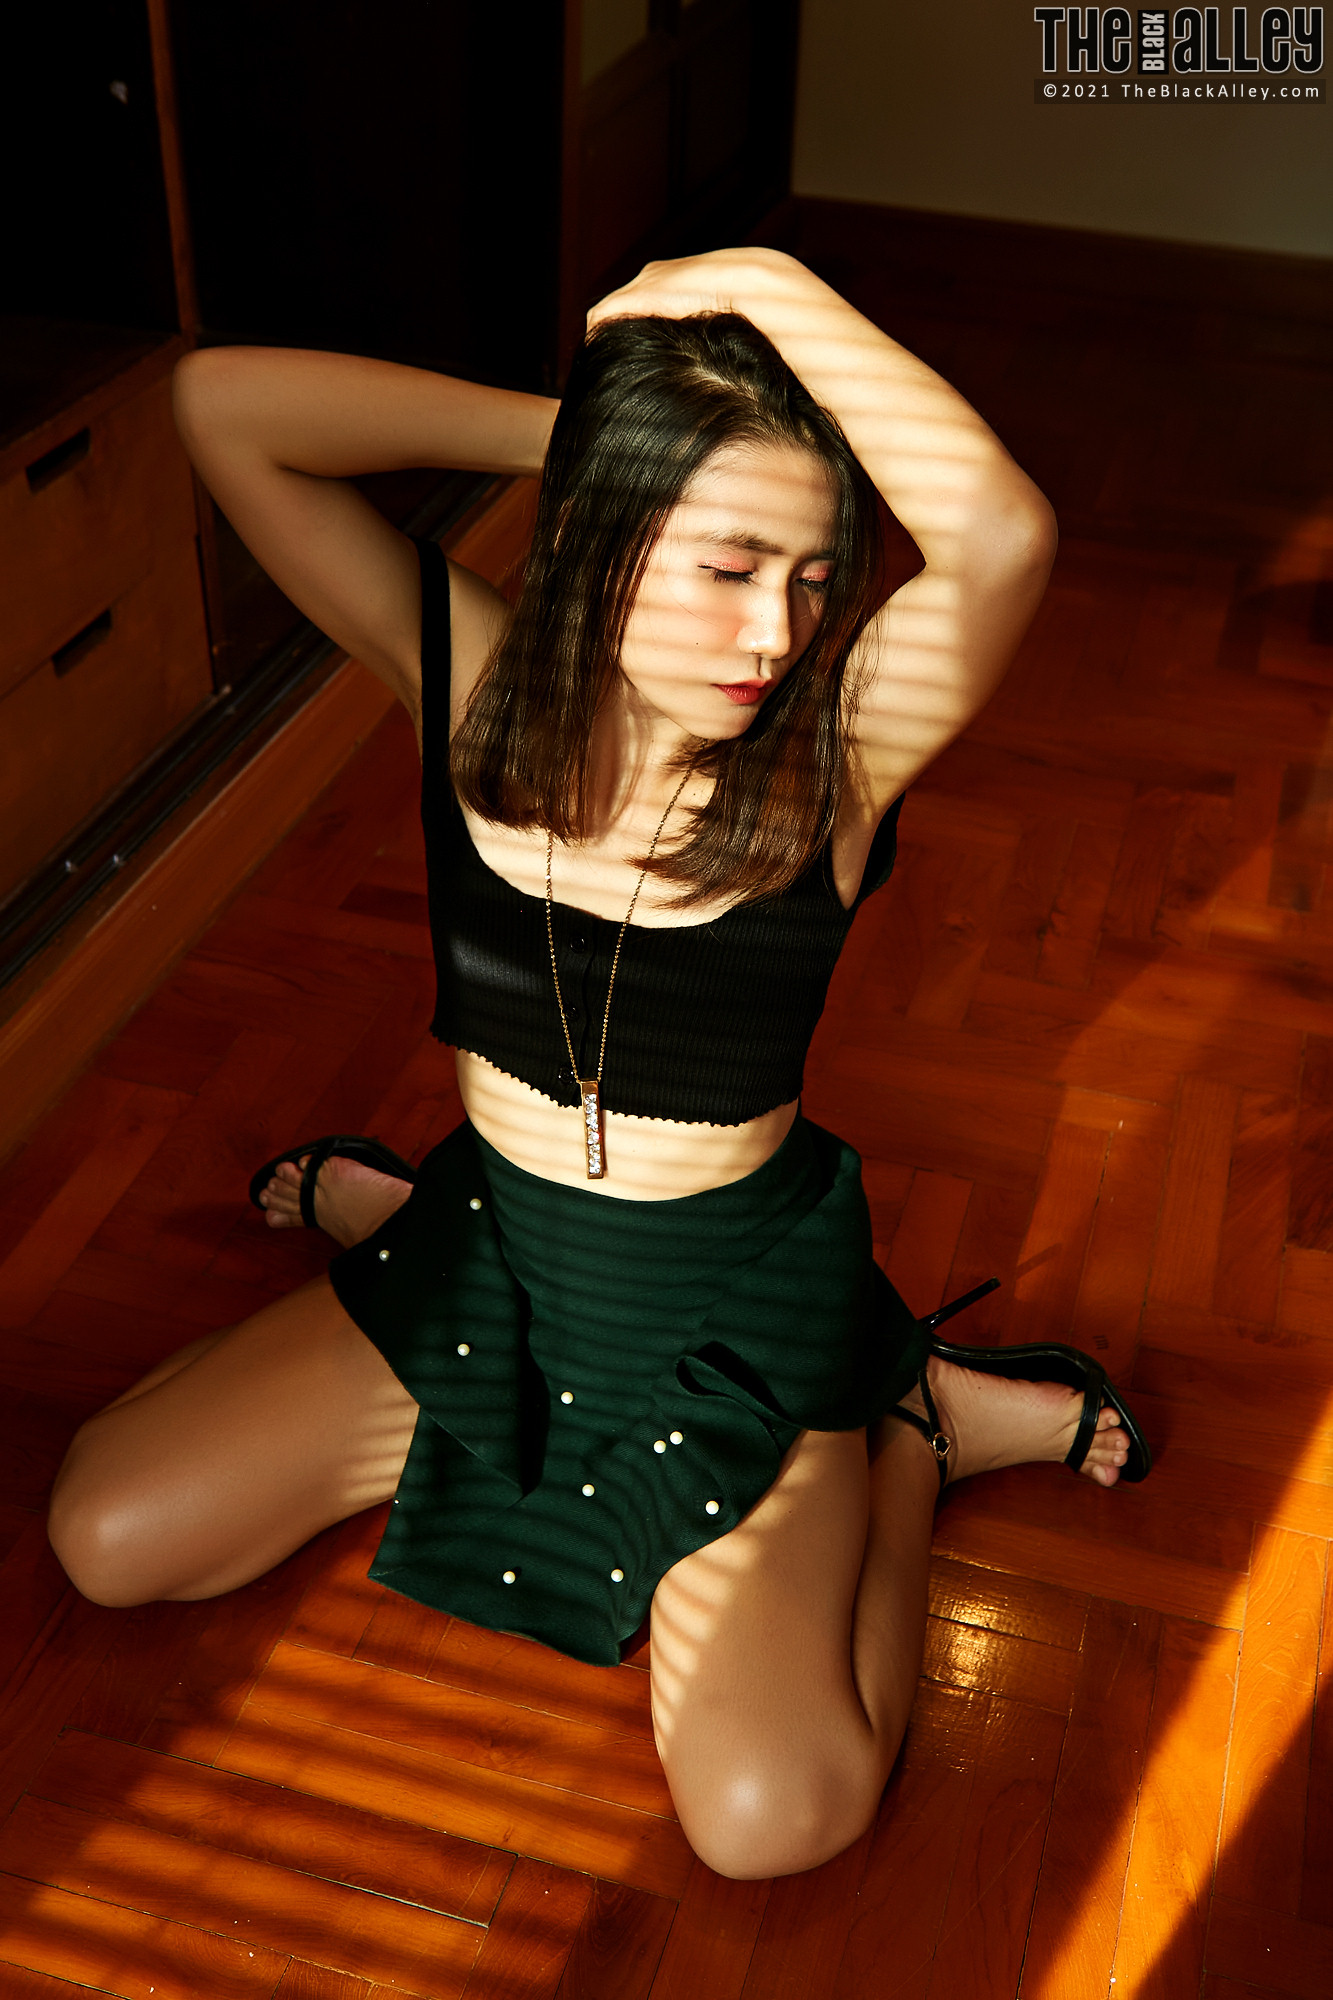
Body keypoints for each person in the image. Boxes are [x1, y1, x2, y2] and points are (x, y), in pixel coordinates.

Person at [47, 249, 1149, 1881]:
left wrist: (764, 281)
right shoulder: (470, 679)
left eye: (812, 575)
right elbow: (225, 407)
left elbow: (1001, 536)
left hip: (727, 1319)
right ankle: (395, 1230)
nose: (775, 629)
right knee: (105, 1535)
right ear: (603, 529)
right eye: (726, 563)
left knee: (774, 1820)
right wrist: (577, 432)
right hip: (494, 1262)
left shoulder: (836, 754)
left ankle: (908, 1423)